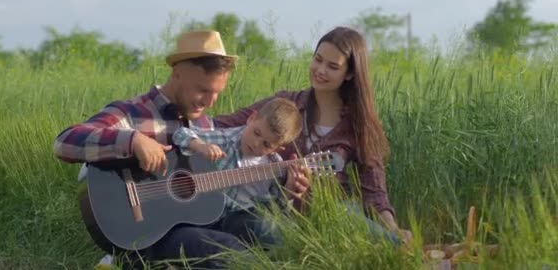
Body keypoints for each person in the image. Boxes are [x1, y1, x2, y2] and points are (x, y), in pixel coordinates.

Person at [53, 30, 311, 269]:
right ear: (177, 73)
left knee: (273, 236)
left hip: (195, 221)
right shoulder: (132, 113)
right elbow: (65, 142)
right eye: (203, 90)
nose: (210, 102)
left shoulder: (203, 124)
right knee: (231, 253)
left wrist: (283, 189)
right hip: (148, 230)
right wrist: (132, 140)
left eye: (217, 93)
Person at [214, 26, 412, 243]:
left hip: (330, 216)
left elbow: (374, 192)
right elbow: (223, 123)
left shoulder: (358, 125)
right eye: (318, 59)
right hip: (276, 212)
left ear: (349, 74)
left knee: (377, 234)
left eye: (332, 66)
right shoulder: (285, 105)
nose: (320, 70)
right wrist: (174, 130)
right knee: (262, 226)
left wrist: (392, 228)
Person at [172, 97, 304, 246]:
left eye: (266, 144)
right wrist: (199, 145)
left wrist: (288, 192)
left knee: (275, 231)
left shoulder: (275, 166)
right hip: (202, 215)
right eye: (256, 133)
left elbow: (273, 210)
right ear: (251, 118)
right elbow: (180, 133)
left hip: (238, 221)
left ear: (278, 149)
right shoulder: (224, 140)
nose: (256, 143)